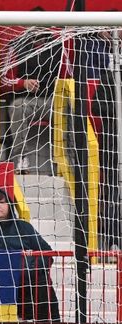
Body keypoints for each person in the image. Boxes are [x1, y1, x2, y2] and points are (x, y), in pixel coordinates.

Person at [0, 189, 61, 321]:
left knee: (42, 282)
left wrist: (29, 267)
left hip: (25, 282)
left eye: (1, 202)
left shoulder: (23, 227)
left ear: (9, 205)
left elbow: (47, 253)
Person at [0, 28, 66, 174]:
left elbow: (69, 75)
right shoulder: (16, 45)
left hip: (52, 100)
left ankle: (65, 162)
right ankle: (20, 159)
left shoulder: (59, 46)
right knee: (18, 107)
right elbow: (3, 80)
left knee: (70, 108)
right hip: (26, 100)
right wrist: (23, 83)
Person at [91, 30, 121, 253]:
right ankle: (113, 240)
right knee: (112, 191)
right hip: (113, 144)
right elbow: (95, 106)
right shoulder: (109, 77)